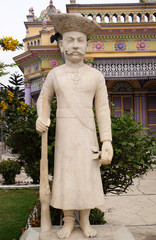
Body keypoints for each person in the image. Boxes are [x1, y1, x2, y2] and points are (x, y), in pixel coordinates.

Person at [36, 13, 113, 239]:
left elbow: (103, 109)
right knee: (66, 174)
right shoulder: (54, 75)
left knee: (86, 174)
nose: (76, 45)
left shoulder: (96, 76)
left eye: (81, 40)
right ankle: (68, 220)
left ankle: (86, 220)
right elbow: (43, 99)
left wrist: (106, 141)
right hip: (65, 134)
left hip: (87, 133)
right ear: (61, 46)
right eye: (70, 40)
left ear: (87, 45)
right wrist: (43, 116)